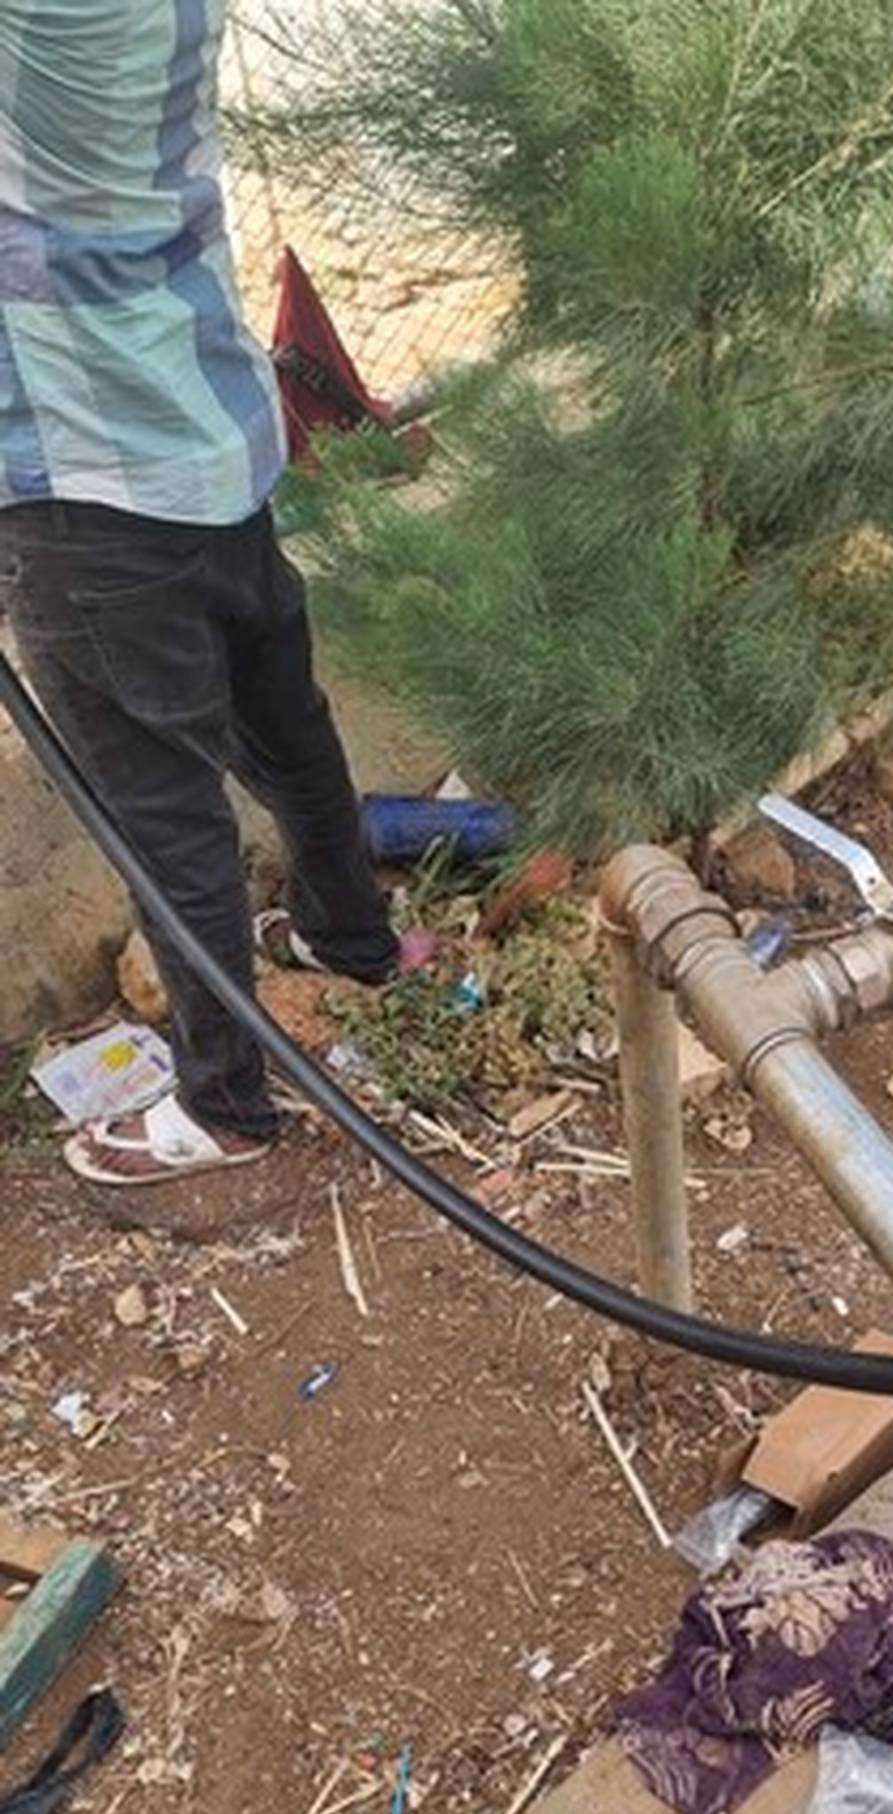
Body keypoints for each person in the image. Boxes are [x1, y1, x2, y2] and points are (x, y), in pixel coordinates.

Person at [0, 0, 400, 1186]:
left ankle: (224, 1105)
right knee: (289, 730)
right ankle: (352, 942)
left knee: (163, 820)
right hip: (212, 429)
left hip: (87, 490)